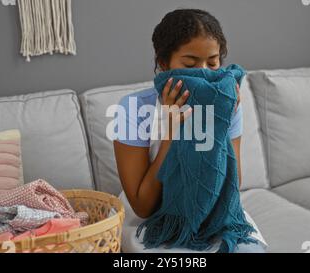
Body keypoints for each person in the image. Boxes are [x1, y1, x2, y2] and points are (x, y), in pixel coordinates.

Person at [113, 8, 267, 253]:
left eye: (213, 63)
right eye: (190, 64)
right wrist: (172, 134)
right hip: (154, 221)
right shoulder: (132, 109)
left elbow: (232, 184)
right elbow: (143, 205)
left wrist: (221, 121)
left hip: (216, 211)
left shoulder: (228, 103)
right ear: (164, 64)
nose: (204, 73)